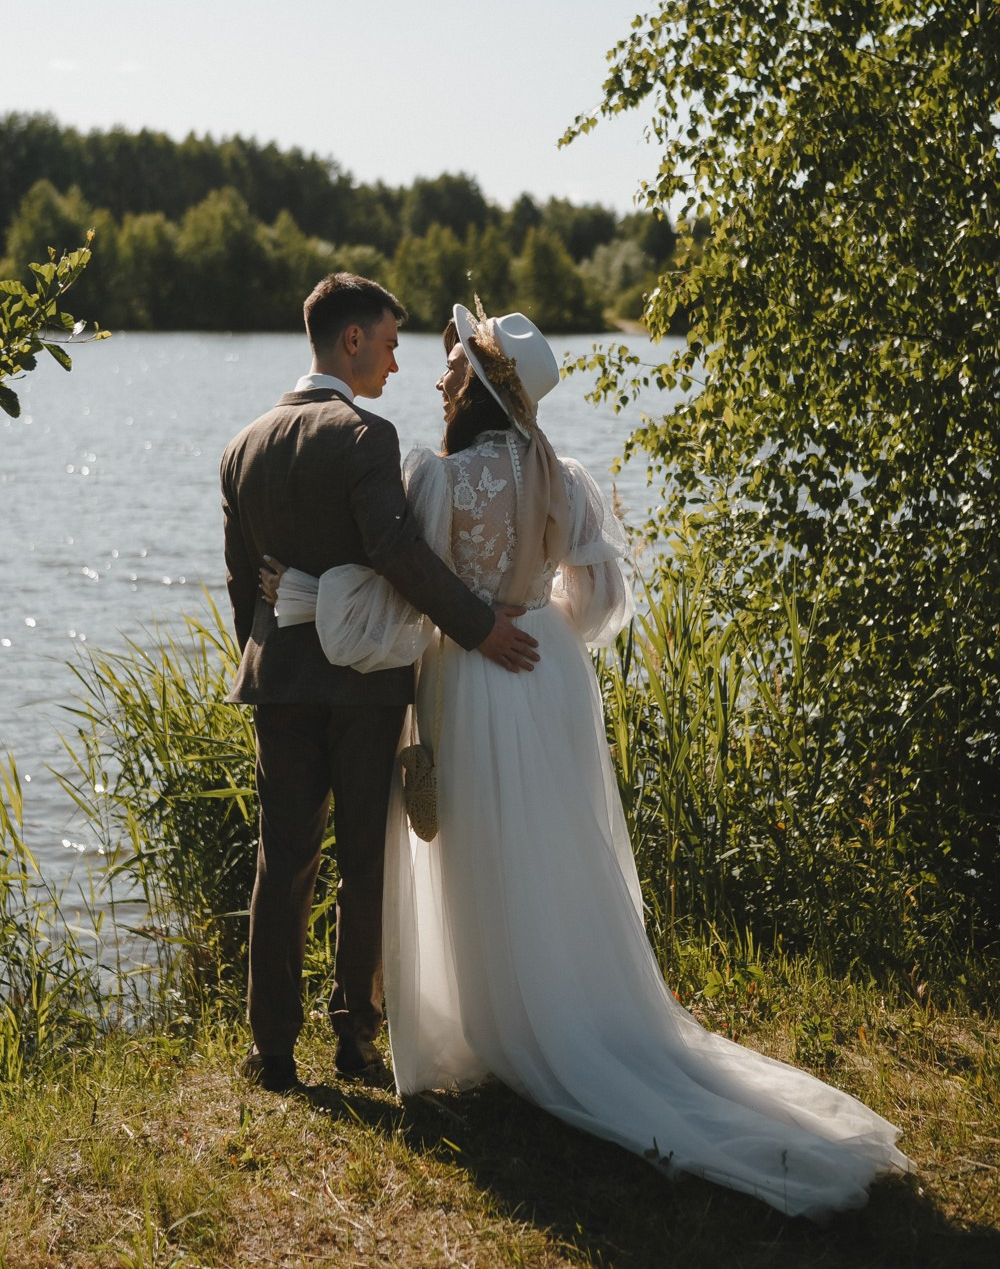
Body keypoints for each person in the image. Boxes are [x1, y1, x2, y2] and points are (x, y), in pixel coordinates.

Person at [260, 300, 910, 1218]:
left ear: (481, 389)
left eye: (456, 366)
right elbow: (598, 596)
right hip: (548, 671)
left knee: (481, 847)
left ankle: (495, 1025)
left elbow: (407, 592)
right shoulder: (563, 475)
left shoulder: (441, 477)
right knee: (550, 846)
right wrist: (536, 616)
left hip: (476, 674)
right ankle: (562, 1005)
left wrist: (302, 594)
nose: (441, 376)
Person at [220, 274, 539, 1095]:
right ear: (352, 340)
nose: (398, 364)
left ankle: (273, 1052)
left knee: (282, 858)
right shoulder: (365, 437)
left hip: (278, 682)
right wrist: (478, 624)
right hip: (364, 687)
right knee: (365, 861)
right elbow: (396, 554)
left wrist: (268, 657)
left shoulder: (242, 445)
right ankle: (356, 1041)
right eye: (391, 344)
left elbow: (241, 586)